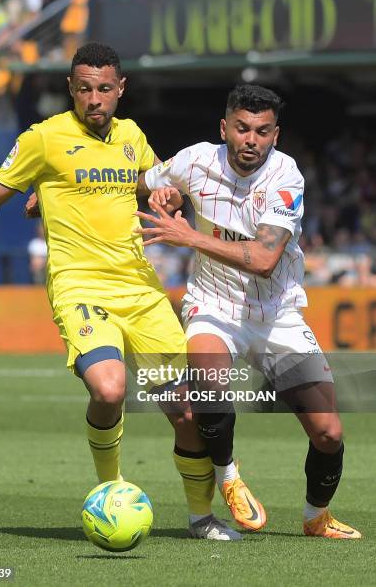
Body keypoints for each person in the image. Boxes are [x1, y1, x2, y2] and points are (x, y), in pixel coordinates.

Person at [0, 43, 261, 541]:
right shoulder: (43, 139)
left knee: (185, 408)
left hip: (139, 287)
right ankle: (110, 489)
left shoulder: (132, 136)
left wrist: (163, 193)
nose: (95, 98)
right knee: (109, 388)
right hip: (80, 285)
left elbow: (159, 186)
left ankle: (202, 517)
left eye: (105, 89)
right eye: (85, 88)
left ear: (120, 90)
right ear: (72, 88)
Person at [137, 84, 361, 539]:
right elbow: (143, 185)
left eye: (261, 131)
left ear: (275, 135)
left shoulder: (286, 177)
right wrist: (166, 196)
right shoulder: (196, 159)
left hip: (278, 312)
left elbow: (263, 259)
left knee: (329, 433)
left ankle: (316, 516)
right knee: (209, 381)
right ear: (225, 129)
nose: (250, 140)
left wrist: (191, 238)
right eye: (242, 129)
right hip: (213, 305)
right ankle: (229, 477)